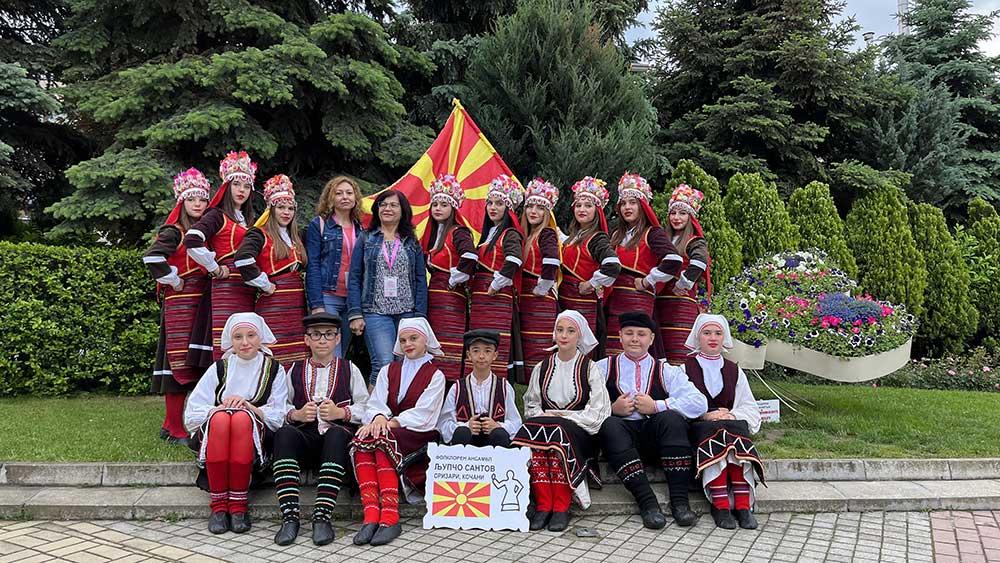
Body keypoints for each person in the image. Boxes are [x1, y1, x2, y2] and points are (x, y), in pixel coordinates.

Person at [595, 312, 708, 529]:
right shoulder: (602, 367)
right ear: (619, 336)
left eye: (641, 334)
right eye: (629, 333)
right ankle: (647, 503)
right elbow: (585, 405)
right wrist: (611, 409)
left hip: (655, 441)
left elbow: (698, 403)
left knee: (671, 419)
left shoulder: (665, 370)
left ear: (652, 339)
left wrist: (656, 406)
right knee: (609, 425)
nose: (635, 339)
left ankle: (680, 503)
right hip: (621, 442)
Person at [183, 313, 291, 535]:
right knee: (223, 419)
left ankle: (239, 506)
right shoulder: (220, 367)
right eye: (238, 337)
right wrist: (220, 408)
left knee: (241, 419)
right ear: (230, 340)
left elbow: (279, 413)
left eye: (251, 335)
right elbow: (194, 409)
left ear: (260, 337)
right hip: (219, 431)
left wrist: (249, 407)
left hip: (255, 433)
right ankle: (219, 506)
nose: (245, 342)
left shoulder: (274, 368)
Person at [271, 312, 369, 546]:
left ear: (337, 339)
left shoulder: (350, 369)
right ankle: (290, 517)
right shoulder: (293, 369)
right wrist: (296, 414)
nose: (322, 340)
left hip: (336, 444)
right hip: (306, 437)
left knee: (336, 434)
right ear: (307, 340)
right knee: (285, 434)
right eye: (316, 335)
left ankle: (322, 517)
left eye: (328, 334)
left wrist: (341, 414)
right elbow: (278, 407)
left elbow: (366, 407)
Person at [511, 310, 611, 533]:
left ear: (579, 336)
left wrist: (563, 417)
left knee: (556, 430)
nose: (564, 335)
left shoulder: (589, 368)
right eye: (560, 330)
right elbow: (531, 404)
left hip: (581, 434)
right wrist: (545, 417)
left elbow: (599, 411)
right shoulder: (543, 367)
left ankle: (561, 505)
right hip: (549, 429)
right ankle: (544, 504)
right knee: (535, 430)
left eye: (570, 331)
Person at [350, 318, 446, 546]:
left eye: (413, 338)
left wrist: (389, 422)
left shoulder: (436, 375)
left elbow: (425, 413)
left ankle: (390, 516)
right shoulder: (388, 370)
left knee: (381, 439)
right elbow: (376, 403)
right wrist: (379, 417)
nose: (407, 344)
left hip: (417, 433)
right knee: (361, 439)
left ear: (426, 340)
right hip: (389, 429)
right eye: (403, 340)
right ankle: (371, 514)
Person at [143, 168, 214, 447]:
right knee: (178, 360)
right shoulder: (174, 231)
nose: (198, 205)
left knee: (193, 358)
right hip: (181, 301)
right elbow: (151, 258)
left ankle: (169, 423)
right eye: (192, 200)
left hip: (200, 299)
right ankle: (175, 426)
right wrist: (173, 278)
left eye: (202, 200)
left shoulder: (204, 232)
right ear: (181, 202)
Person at [685, 314, 764, 530]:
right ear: (698, 337)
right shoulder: (685, 369)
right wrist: (704, 414)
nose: (713, 338)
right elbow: (679, 402)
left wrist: (730, 414)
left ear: (724, 337)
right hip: (701, 427)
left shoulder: (734, 370)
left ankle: (742, 505)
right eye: (707, 333)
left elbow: (749, 406)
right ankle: (720, 504)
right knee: (718, 431)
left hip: (729, 425)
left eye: (718, 333)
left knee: (730, 429)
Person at [347, 190, 428, 384]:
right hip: (375, 312)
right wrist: (355, 313)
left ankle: (399, 410)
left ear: (403, 211)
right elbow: (355, 277)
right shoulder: (366, 238)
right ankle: (374, 412)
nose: (387, 208)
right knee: (383, 363)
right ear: (377, 210)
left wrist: (420, 316)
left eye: (393, 205)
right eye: (383, 204)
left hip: (407, 313)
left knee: (404, 363)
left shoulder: (411, 241)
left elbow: (420, 279)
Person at [184, 151, 258, 360]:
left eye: (246, 186)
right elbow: (192, 239)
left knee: (248, 342)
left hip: (246, 286)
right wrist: (214, 268)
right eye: (236, 185)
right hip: (226, 288)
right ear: (227, 186)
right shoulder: (217, 215)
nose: (241, 190)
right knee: (229, 340)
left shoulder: (248, 219)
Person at [605, 173, 682, 357]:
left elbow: (674, 260)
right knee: (614, 350)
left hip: (637, 301)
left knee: (635, 347)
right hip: (615, 301)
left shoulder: (652, 233)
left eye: (632, 203)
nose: (627, 207)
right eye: (623, 203)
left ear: (643, 206)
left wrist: (649, 280)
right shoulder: (616, 235)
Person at [235, 174, 307, 365]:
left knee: (298, 350)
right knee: (275, 350)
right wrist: (265, 285)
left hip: (297, 302)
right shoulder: (259, 233)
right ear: (271, 209)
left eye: (290, 208)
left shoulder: (296, 236)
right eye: (281, 207)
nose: (286, 212)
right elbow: (242, 260)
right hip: (274, 300)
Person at [423, 174, 477, 383]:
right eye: (435, 204)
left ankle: (450, 387)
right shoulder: (435, 234)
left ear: (453, 208)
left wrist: (456, 278)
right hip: (435, 296)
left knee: (449, 344)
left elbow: (470, 255)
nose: (438, 208)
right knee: (434, 342)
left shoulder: (458, 231)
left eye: (444, 204)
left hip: (451, 297)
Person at [469, 174, 524, 378]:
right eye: (490, 203)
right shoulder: (489, 234)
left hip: (496, 296)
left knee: (492, 341)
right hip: (481, 296)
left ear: (508, 208)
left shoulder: (509, 233)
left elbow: (514, 261)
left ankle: (496, 387)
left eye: (499, 203)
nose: (493, 207)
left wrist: (496, 284)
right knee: (478, 341)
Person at [559, 177, 620, 357]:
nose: (582, 209)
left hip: (582, 301)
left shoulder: (597, 238)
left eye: (588, 206)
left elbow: (613, 265)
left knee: (579, 346)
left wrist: (591, 283)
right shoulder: (574, 236)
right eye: (578, 205)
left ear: (597, 210)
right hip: (565, 299)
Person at [305, 175, 364, 358]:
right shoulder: (320, 224)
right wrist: (317, 304)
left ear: (355, 198)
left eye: (349, 193)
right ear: (330, 198)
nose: (345, 197)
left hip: (353, 298)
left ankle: (337, 384)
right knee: (329, 352)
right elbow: (312, 264)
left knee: (342, 351)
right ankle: (328, 386)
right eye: (339, 193)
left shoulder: (360, 228)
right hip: (327, 296)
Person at [438, 329, 522, 447]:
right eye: (476, 351)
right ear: (469, 355)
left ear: (495, 355)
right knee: (462, 433)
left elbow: (516, 423)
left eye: (487, 351)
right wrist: (467, 426)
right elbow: (443, 423)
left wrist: (498, 426)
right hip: (467, 442)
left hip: (494, 443)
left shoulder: (504, 387)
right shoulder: (457, 388)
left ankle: (497, 464)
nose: (481, 356)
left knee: (499, 434)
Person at [657, 184, 712, 364]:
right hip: (659, 302)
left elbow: (699, 262)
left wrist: (682, 283)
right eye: (673, 213)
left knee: (678, 350)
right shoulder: (663, 238)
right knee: (659, 349)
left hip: (680, 304)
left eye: (682, 213)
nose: (677, 217)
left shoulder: (694, 241)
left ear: (690, 216)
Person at [518, 178, 561, 376]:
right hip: (526, 300)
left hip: (540, 301)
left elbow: (552, 261)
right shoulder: (526, 235)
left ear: (547, 213)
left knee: (539, 348)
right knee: (527, 347)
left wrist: (542, 287)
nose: (533, 211)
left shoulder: (547, 234)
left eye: (540, 208)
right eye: (530, 206)